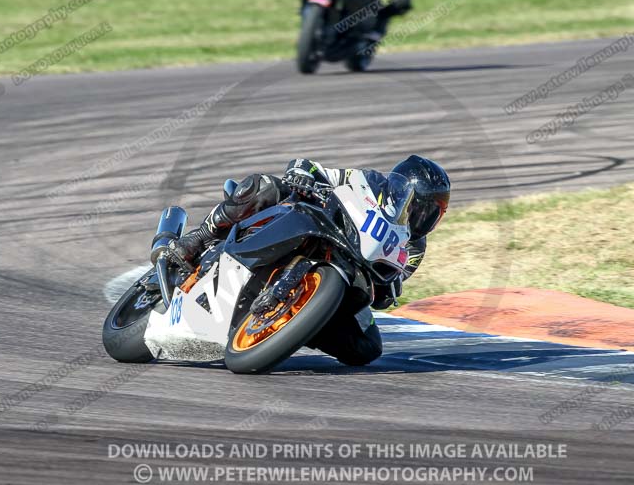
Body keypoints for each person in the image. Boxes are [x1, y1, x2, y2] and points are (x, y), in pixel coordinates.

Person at [168, 155, 450, 366]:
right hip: (309, 226)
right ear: (403, 191)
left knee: (369, 348)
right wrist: (302, 173)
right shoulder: (371, 181)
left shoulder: (414, 248)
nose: (422, 217)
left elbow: (391, 286)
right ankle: (199, 237)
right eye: (420, 206)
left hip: (349, 274)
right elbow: (312, 167)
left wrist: (388, 292)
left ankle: (302, 324)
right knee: (264, 187)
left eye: (432, 213)